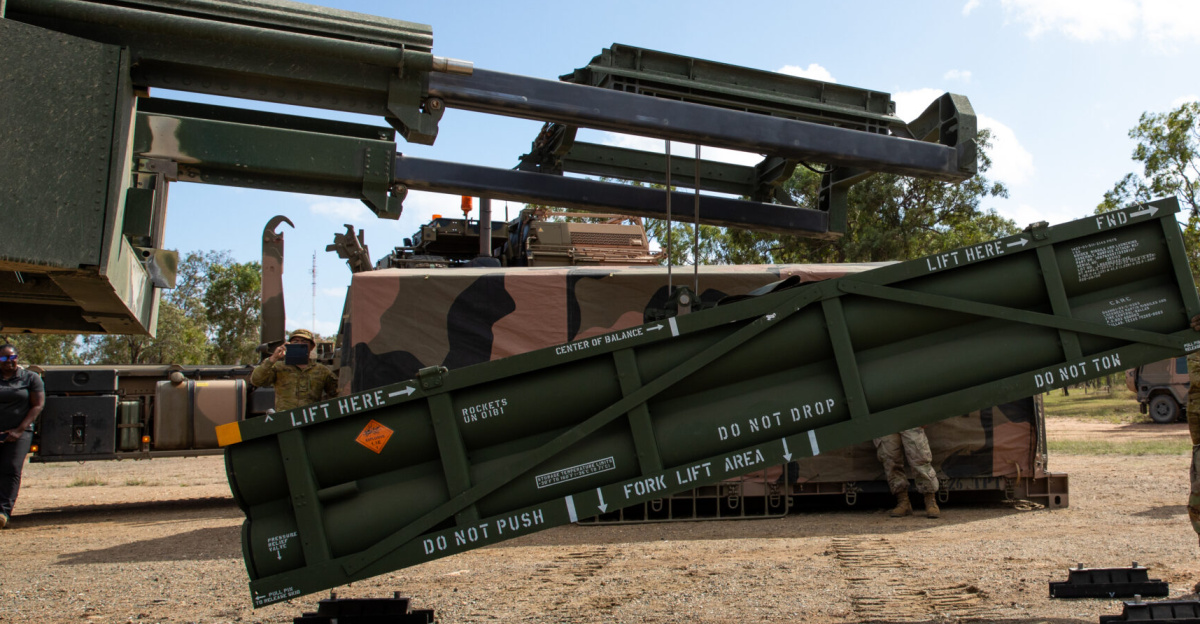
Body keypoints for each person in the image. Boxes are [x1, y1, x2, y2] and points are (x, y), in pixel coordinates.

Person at [0, 344, 44, 529]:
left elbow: (37, 405)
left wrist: (19, 430)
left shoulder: (30, 378)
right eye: (3, 359)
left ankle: (3, 512)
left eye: (12, 358)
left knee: (11, 467)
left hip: (20, 432)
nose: (9, 362)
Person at [250, 329, 338, 412]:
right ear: (289, 345)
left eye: (304, 342)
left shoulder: (321, 370)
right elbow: (256, 381)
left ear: (311, 347)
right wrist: (273, 359)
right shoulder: (278, 367)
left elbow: (336, 393)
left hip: (311, 420)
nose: (299, 344)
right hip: (285, 420)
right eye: (295, 342)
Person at [874, 427, 940, 518]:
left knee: (919, 458)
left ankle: (930, 501)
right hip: (884, 420)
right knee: (890, 460)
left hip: (909, 419)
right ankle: (903, 501)